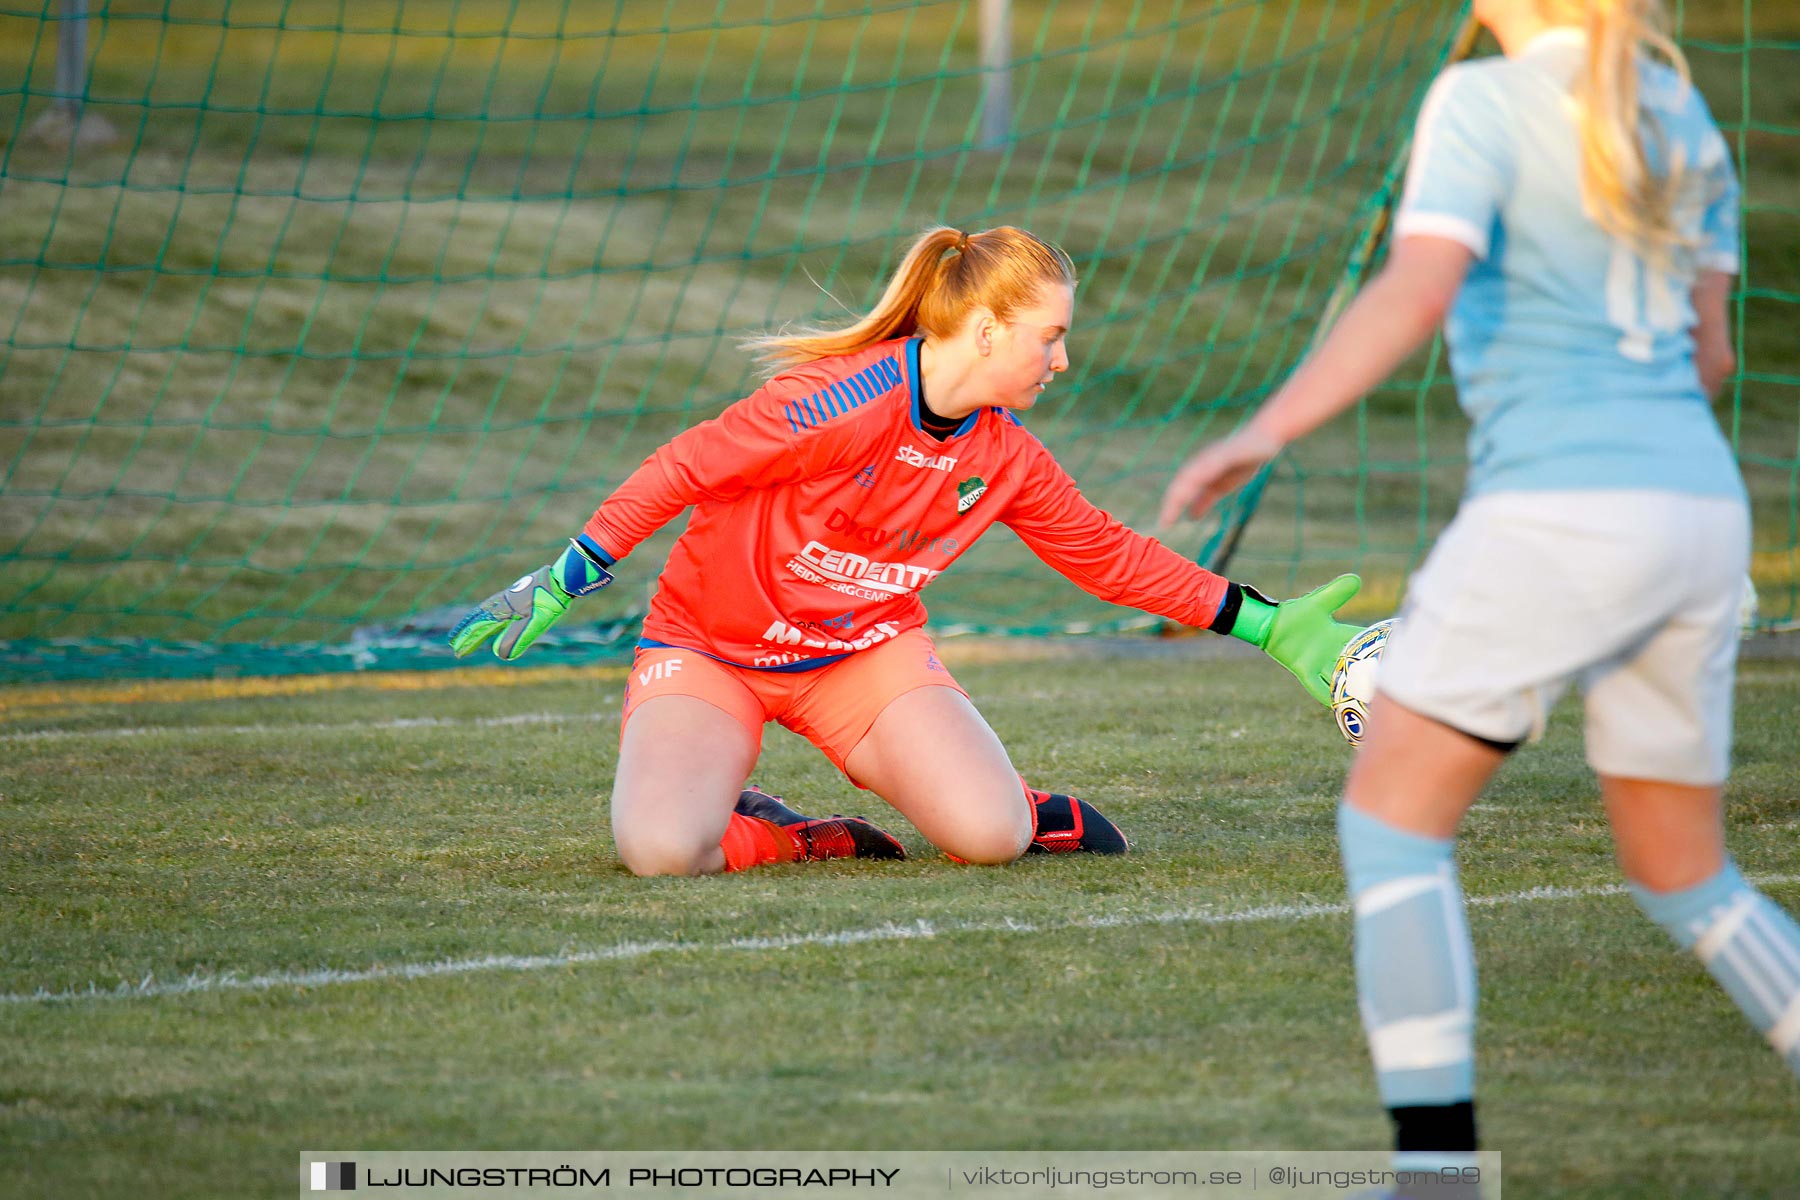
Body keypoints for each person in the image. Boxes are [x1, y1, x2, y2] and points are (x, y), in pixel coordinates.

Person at [1161, 0, 1800, 1178]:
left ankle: (1437, 1174)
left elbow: (1416, 291)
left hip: (1556, 514)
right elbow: (1711, 356)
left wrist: (1266, 428)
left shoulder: (1483, 100)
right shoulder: (1676, 107)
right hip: (1704, 514)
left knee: (1391, 826)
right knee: (1686, 873)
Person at [451, 224, 1362, 876]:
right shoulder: (837, 402)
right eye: (1053, 336)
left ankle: (1026, 807)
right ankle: (795, 834)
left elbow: (1106, 555)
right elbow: (686, 465)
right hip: (708, 651)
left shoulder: (1005, 455)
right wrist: (566, 576)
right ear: (988, 328)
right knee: (658, 852)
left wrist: (1271, 626)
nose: (1063, 360)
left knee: (990, 838)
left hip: (860, 659)